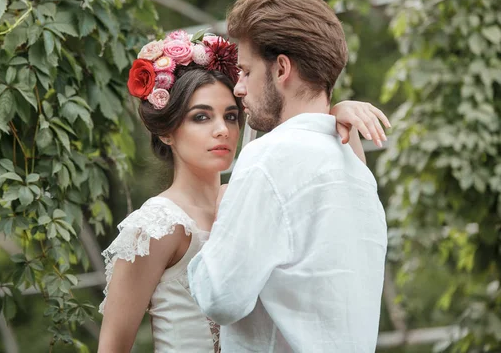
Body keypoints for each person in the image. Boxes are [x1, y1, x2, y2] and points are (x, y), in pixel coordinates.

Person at [98, 28, 389, 352]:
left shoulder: (258, 196)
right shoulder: (155, 226)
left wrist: (334, 116)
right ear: (167, 131)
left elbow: (342, 186)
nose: (222, 130)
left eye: (231, 116)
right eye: (201, 117)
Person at [187, 0, 389, 353]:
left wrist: (221, 220)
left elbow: (221, 296)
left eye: (246, 71)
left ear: (281, 68)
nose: (239, 88)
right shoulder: (360, 175)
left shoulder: (269, 158)